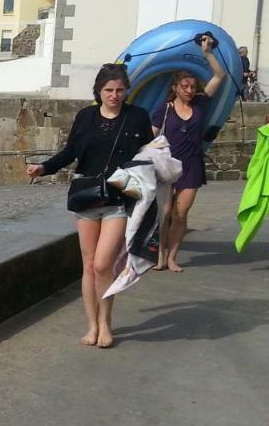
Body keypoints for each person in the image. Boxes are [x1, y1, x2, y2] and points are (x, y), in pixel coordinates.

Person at [26, 63, 154, 349]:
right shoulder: (85, 117)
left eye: (120, 90)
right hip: (86, 196)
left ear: (126, 91)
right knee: (88, 265)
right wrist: (44, 168)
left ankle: (106, 322)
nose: (114, 95)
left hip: (119, 197)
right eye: (109, 90)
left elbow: (148, 155)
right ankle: (92, 325)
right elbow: (70, 152)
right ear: (98, 91)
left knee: (103, 264)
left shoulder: (137, 117)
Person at [151, 35, 226, 272]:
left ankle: (173, 257)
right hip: (167, 166)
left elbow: (220, 76)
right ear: (175, 87)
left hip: (191, 166)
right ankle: (160, 255)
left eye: (193, 87)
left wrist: (207, 53)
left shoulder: (201, 103)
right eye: (185, 86)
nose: (190, 90)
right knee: (164, 214)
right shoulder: (164, 109)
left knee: (180, 214)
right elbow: (148, 136)